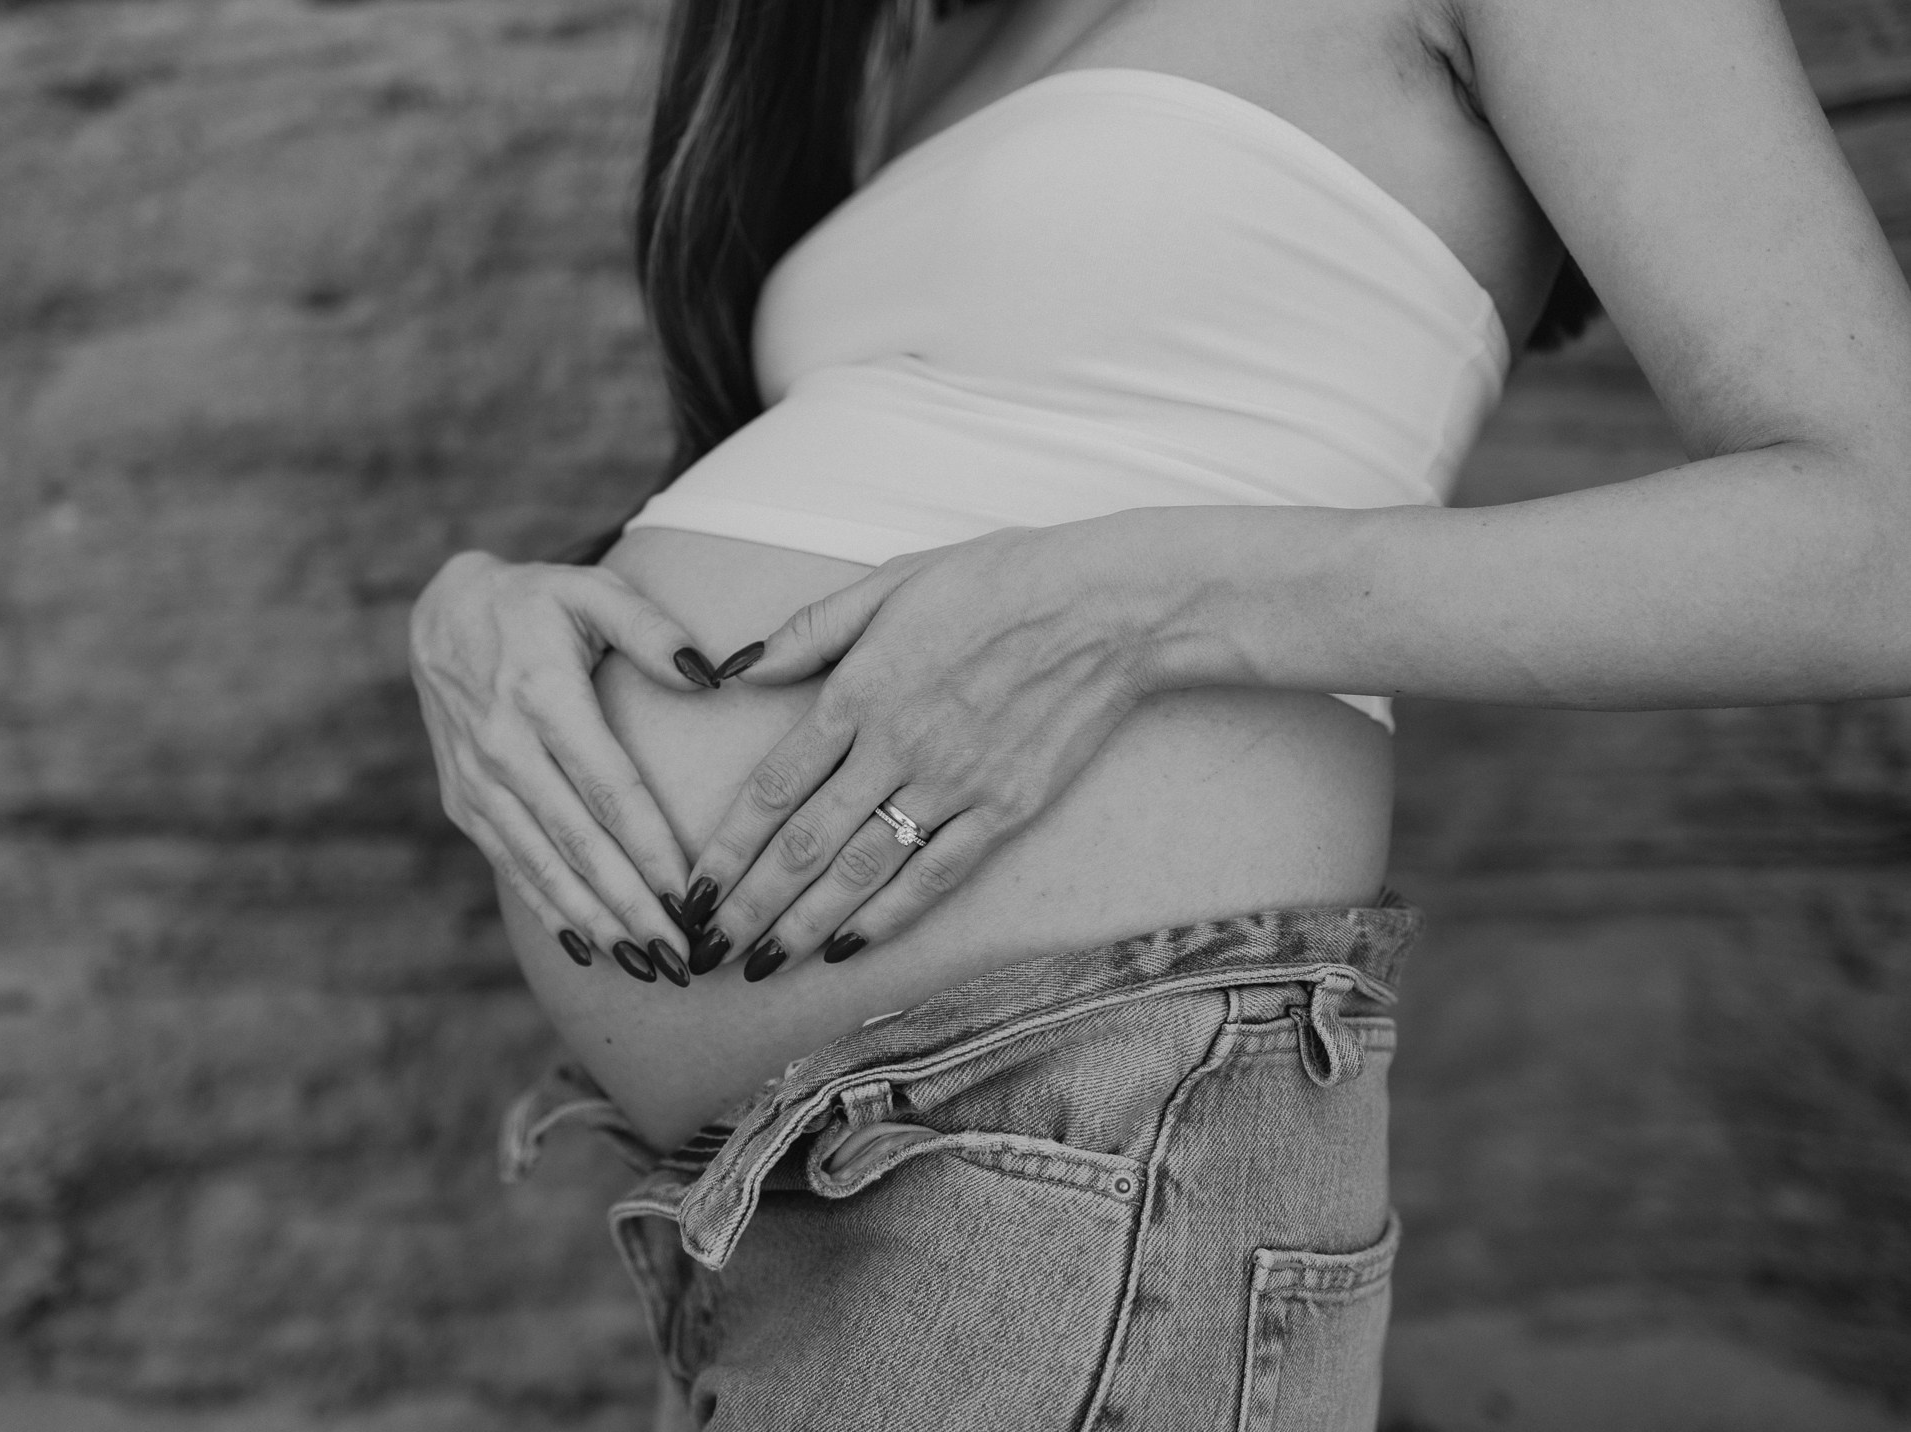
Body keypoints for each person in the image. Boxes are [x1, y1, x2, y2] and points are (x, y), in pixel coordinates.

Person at [410, 0, 1911, 1423]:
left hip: (1081, 1124)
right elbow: (921, 461)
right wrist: (497, 610)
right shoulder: (936, 46)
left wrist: (1142, 600)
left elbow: (1876, 551)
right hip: (761, 1197)